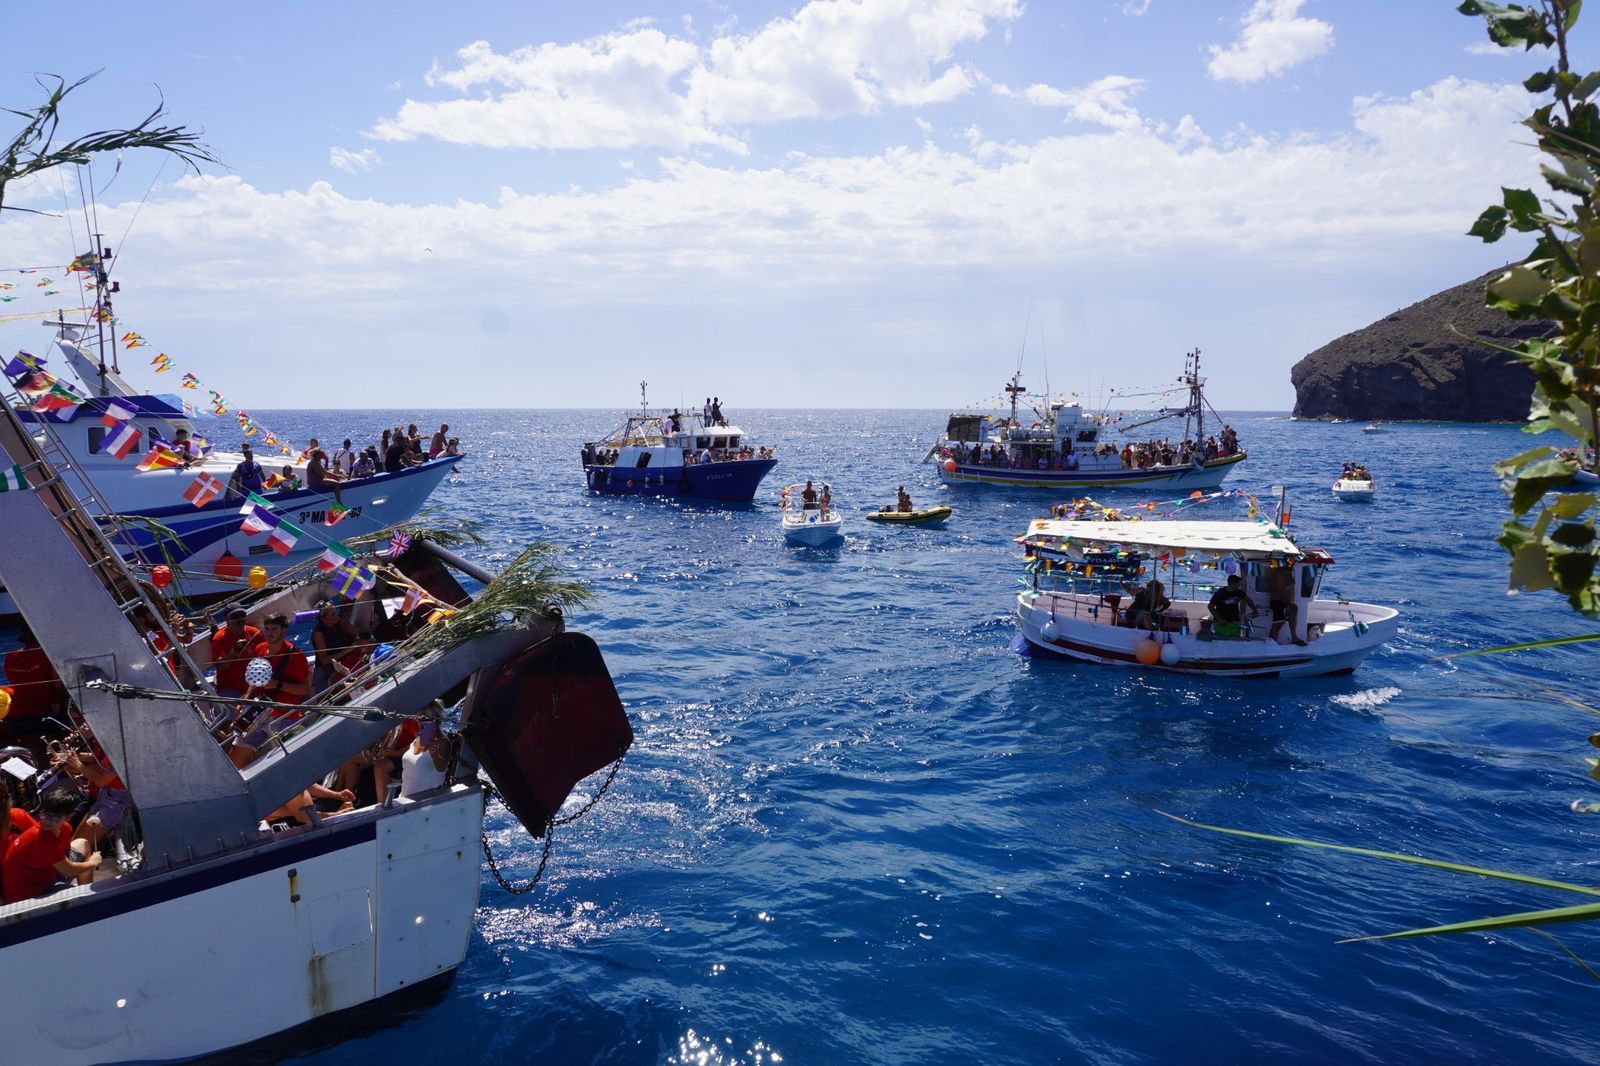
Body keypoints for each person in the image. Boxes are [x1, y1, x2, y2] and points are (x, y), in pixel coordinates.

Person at [229, 613, 311, 768]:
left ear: (284, 631)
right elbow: (255, 681)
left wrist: (278, 685)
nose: (269, 633)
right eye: (266, 629)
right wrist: (244, 700)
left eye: (274, 629)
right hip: (259, 715)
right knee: (236, 758)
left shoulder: (296, 656)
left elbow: (305, 689)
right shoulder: (260, 649)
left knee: (288, 766)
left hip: (285, 717)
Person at [3, 787, 100, 903]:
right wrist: (93, 862)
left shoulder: (66, 829)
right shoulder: (42, 839)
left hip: (48, 873)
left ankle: (88, 897)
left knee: (83, 843)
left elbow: (64, 856)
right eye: (44, 814)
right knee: (77, 896)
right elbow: (68, 870)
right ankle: (86, 900)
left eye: (54, 817)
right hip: (30, 894)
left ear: (68, 817)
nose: (46, 821)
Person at [2, 627, 65, 721]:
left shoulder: (10, 656)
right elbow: (59, 687)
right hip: (46, 710)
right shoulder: (48, 655)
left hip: (17, 708)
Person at [208, 607, 262, 698]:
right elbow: (220, 667)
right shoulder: (219, 638)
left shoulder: (255, 633)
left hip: (253, 687)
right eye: (235, 616)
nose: (240, 619)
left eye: (242, 615)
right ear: (227, 620)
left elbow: (265, 658)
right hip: (230, 689)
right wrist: (234, 652)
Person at [309, 600, 357, 695]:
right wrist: (347, 651)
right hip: (326, 669)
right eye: (333, 615)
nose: (336, 616)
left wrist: (346, 622)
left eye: (336, 613)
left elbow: (356, 632)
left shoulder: (340, 623)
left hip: (343, 665)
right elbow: (324, 660)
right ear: (323, 618)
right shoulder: (318, 634)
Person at [1268, 566, 1306, 644]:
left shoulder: (1288, 572)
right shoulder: (1279, 573)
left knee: (1293, 610)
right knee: (1278, 624)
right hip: (1279, 602)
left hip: (1285, 602)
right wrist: (1287, 602)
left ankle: (1294, 637)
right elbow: (1278, 590)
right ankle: (1271, 642)